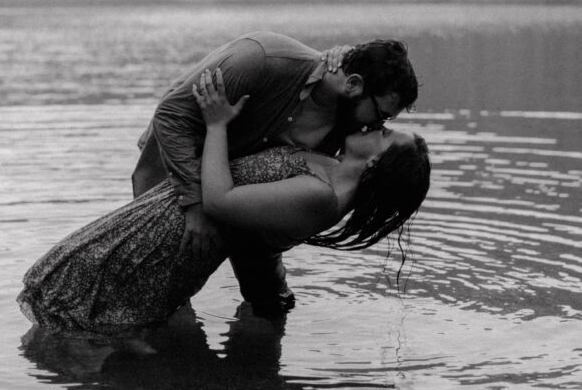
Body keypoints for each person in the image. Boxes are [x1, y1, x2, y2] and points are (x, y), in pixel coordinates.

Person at [17, 67, 430, 335]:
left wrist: (216, 125)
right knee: (75, 320)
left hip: (166, 244)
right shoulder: (331, 164)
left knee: (77, 326)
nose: (380, 126)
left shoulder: (323, 196)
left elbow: (219, 201)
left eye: (388, 134)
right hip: (163, 224)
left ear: (377, 162)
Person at [132, 31, 419, 313]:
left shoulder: (350, 124)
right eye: (382, 116)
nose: (378, 126)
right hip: (178, 170)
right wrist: (194, 205)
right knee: (162, 288)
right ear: (354, 85)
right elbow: (170, 117)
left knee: (271, 302)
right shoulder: (261, 60)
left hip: (243, 197)